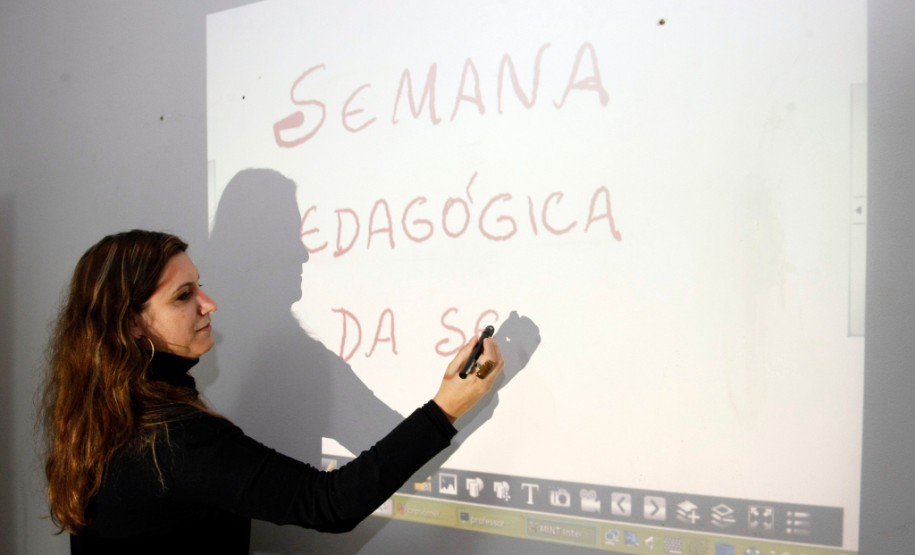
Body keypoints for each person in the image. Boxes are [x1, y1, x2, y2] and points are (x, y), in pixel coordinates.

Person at [40, 229, 504, 554]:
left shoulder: (96, 416)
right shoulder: (174, 439)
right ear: (132, 325)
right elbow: (330, 503)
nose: (208, 303)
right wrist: (447, 407)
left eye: (200, 286)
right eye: (183, 296)